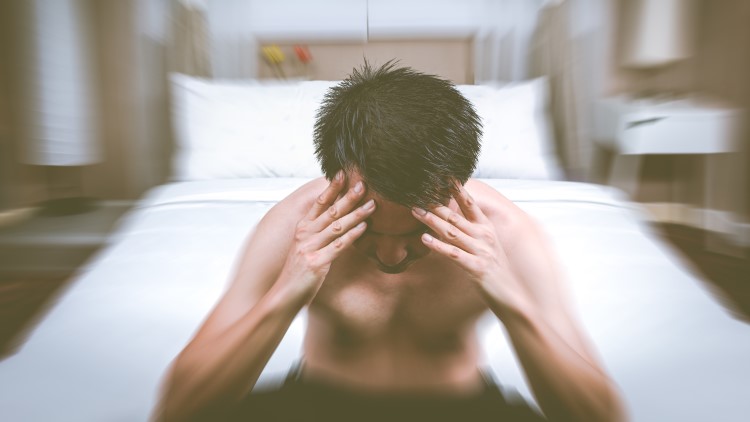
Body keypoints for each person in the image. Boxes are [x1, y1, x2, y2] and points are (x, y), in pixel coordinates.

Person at [155, 61, 626, 422]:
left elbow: (602, 415)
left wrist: (512, 301)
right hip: (316, 405)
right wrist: (286, 292)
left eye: (420, 232)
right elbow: (177, 408)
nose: (392, 256)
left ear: (455, 185)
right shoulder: (296, 227)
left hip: (463, 409)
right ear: (336, 181)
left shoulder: (505, 234)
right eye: (368, 231)